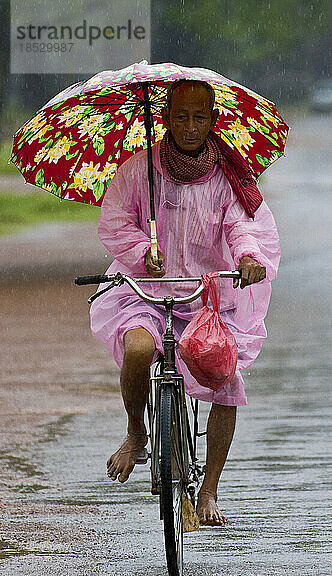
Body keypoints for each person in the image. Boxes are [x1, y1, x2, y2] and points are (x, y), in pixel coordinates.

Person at [90, 79, 280, 526]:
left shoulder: (229, 174)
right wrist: (141, 250)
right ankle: (137, 431)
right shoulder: (140, 170)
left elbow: (241, 226)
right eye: (180, 116)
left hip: (206, 296)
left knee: (225, 376)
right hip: (145, 292)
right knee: (138, 349)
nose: (190, 126)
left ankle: (209, 489)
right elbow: (114, 222)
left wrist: (248, 257)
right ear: (165, 118)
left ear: (214, 120)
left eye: (199, 117)